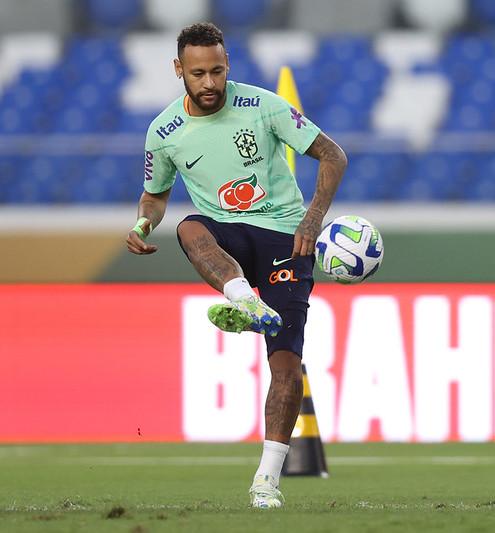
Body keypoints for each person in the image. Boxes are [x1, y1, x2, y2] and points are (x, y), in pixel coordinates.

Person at [125, 22, 347, 509]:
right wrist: (143, 225)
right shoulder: (163, 132)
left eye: (218, 71)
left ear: (229, 66)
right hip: (227, 236)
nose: (210, 84)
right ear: (178, 70)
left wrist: (311, 220)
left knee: (287, 365)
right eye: (199, 73)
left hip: (286, 239)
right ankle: (243, 298)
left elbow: (332, 155)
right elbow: (154, 198)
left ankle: (266, 480)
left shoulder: (263, 105)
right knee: (187, 225)